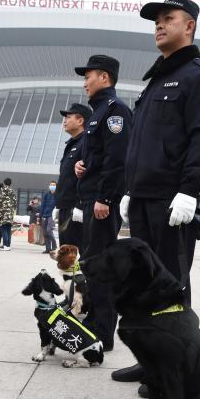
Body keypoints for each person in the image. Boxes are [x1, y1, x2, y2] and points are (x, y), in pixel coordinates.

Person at [113, 0, 200, 383]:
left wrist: (191, 190)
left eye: (168, 18)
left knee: (170, 288)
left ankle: (179, 371)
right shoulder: (155, 81)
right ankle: (151, 363)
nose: (159, 24)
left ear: (189, 25)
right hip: (143, 198)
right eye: (156, 20)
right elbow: (141, 146)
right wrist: (130, 189)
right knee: (143, 285)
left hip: (170, 200)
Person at [74, 54, 131, 350]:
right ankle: (95, 322)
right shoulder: (98, 112)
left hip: (101, 201)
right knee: (92, 264)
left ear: (104, 77)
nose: (85, 82)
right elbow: (98, 156)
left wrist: (105, 197)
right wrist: (81, 166)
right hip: (91, 197)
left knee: (100, 267)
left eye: (88, 76)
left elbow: (117, 160)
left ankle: (103, 333)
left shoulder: (115, 110)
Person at [55, 103, 92, 253]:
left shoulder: (87, 143)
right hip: (66, 208)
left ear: (80, 120)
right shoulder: (72, 144)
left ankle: (78, 277)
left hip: (75, 211)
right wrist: (59, 204)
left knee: (75, 253)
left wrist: (80, 205)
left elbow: (87, 178)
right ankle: (71, 277)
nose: (65, 120)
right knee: (66, 253)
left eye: (68, 117)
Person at [0, 178, 17, 251]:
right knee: (8, 230)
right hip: (10, 213)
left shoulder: (2, 191)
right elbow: (15, 203)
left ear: (4, 183)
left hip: (2, 213)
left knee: (3, 229)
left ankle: (5, 245)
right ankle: (8, 245)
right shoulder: (13, 192)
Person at [40, 181, 58, 254]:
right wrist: (41, 215)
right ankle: (48, 249)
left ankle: (54, 246)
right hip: (45, 215)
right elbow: (42, 205)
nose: (52, 186)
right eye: (51, 185)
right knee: (45, 233)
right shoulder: (46, 194)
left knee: (48, 230)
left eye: (54, 185)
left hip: (52, 215)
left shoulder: (57, 194)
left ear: (56, 186)